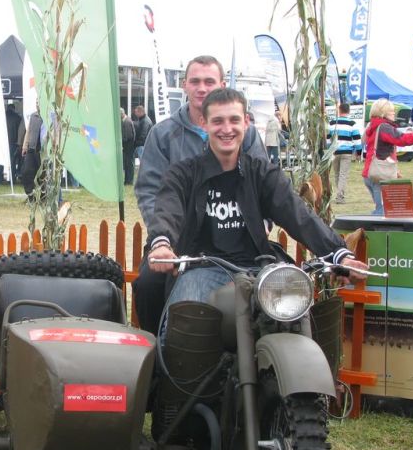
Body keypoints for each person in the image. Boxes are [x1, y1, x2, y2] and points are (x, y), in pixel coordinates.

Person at [146, 88, 368, 337]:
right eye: (217, 121)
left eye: (234, 120)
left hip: (258, 267)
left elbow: (297, 213)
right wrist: (162, 242)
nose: (226, 129)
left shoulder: (262, 173)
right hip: (202, 267)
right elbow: (168, 207)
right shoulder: (184, 173)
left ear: (247, 122)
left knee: (299, 318)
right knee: (180, 328)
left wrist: (338, 254)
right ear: (204, 123)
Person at [132, 55, 266, 335]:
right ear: (184, 85)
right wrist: (164, 237)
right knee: (148, 285)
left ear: (222, 84)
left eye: (209, 81)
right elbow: (150, 189)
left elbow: (265, 186)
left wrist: (259, 223)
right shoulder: (163, 134)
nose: (201, 88)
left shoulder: (247, 135)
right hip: (178, 238)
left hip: (233, 238)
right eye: (195, 81)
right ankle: (159, 351)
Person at [362, 99, 413, 216]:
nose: (394, 113)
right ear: (383, 113)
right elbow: (402, 139)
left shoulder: (372, 125)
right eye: (391, 111)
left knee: (382, 209)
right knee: (382, 213)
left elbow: (378, 149)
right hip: (380, 175)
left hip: (371, 172)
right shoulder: (384, 127)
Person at [328, 102, 362, 204]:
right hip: (347, 152)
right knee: (343, 174)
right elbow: (357, 140)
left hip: (335, 152)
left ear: (339, 110)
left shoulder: (332, 123)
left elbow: (328, 140)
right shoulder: (352, 124)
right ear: (349, 111)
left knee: (337, 174)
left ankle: (339, 195)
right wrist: (359, 153)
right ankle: (340, 197)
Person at [21, 111, 43, 200]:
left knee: (42, 175)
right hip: (31, 148)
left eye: (39, 101)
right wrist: (25, 146)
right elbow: (28, 131)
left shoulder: (49, 114)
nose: (37, 103)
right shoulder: (33, 115)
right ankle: (30, 194)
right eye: (36, 101)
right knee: (26, 171)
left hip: (43, 150)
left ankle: (43, 196)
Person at [6, 103, 24, 181]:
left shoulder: (2, 117)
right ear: (14, 109)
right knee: (13, 161)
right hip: (14, 142)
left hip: (4, 142)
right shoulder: (18, 118)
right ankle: (13, 178)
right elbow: (21, 131)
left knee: (0, 162)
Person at [121, 107, 136, 185]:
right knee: (128, 164)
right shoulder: (127, 120)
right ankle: (127, 180)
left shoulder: (126, 122)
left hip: (128, 147)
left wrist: (121, 142)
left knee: (129, 164)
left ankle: (129, 181)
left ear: (122, 114)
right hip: (128, 147)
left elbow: (128, 136)